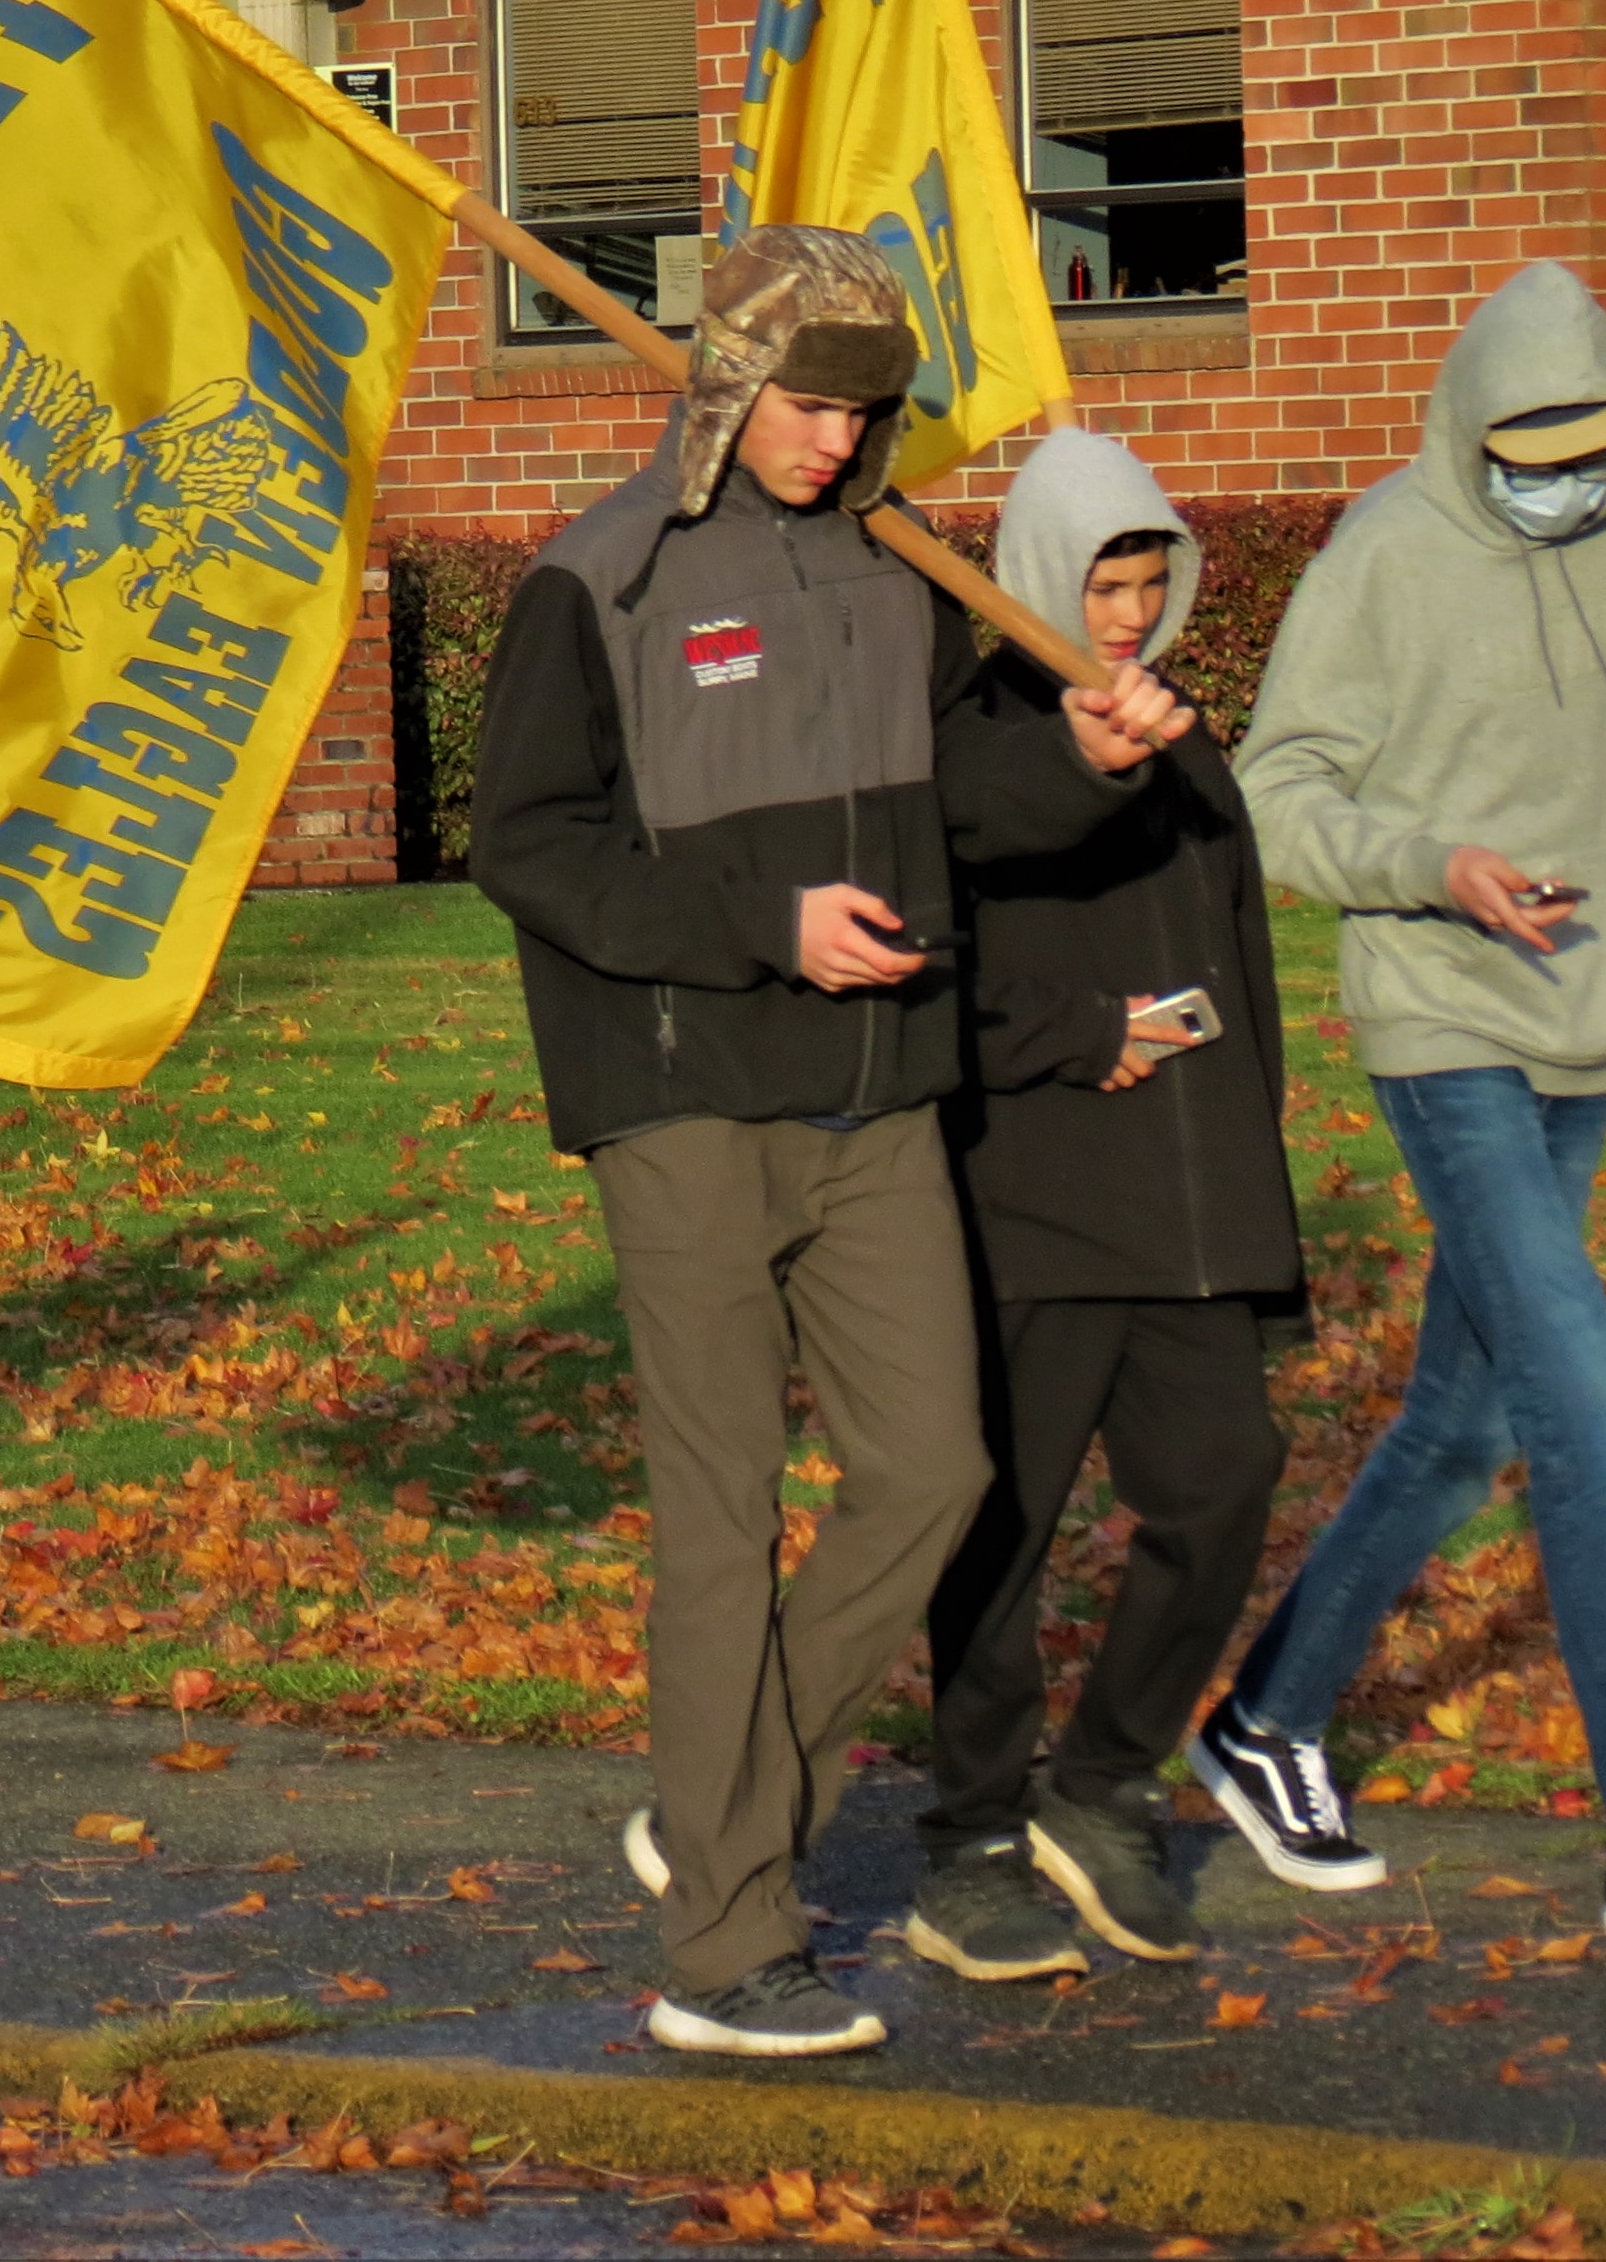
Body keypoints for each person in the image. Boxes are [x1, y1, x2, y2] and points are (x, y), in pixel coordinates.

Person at [469, 229, 1185, 2059]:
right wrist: (758, 923)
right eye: (802, 400)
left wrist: (1087, 760)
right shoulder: (600, 581)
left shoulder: (891, 575)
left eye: (862, 406)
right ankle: (724, 1952)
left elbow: (951, 808)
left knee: (934, 1473)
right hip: (686, 1099)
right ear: (723, 383)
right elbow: (528, 848)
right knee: (717, 1528)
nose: (830, 435)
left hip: (877, 1100)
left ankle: (722, 1809)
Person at [1199, 262, 1606, 1943]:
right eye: (1528, 453)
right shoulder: (1382, 559)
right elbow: (1273, 796)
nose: (1562, 480)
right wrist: (1432, 868)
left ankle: (1262, 1723)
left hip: (1588, 1019)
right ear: (1468, 428)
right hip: (1441, 1019)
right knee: (1594, 1428)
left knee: (1466, 1421)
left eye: (1593, 451)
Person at [913, 429, 1305, 1982]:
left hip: (1193, 1199)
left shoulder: (1182, 729)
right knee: (996, 1531)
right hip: (1032, 1188)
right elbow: (953, 912)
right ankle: (967, 1837)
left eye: (1149, 578)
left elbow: (1237, 960)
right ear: (1028, 578)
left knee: (1221, 1484)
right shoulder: (967, 722)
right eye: (1100, 579)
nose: (1129, 611)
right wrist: (1076, 1042)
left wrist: (1250, 1169)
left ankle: (1099, 1787)